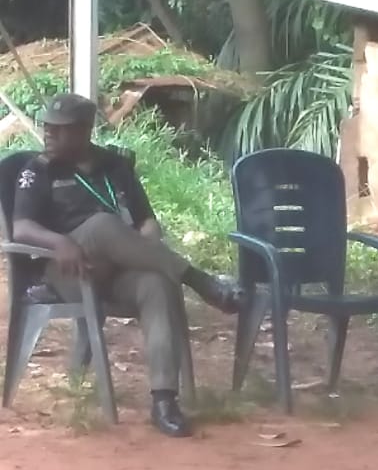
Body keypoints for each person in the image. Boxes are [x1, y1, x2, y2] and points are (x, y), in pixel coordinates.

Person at [11, 93, 242, 438]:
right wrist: (60, 242)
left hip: (120, 270)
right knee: (103, 225)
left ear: (84, 130)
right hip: (69, 271)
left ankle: (164, 399)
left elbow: (147, 221)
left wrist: (143, 246)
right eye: (47, 128)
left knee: (157, 284)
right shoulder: (38, 170)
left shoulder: (115, 166)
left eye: (59, 130)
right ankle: (199, 280)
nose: (49, 135)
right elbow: (21, 227)